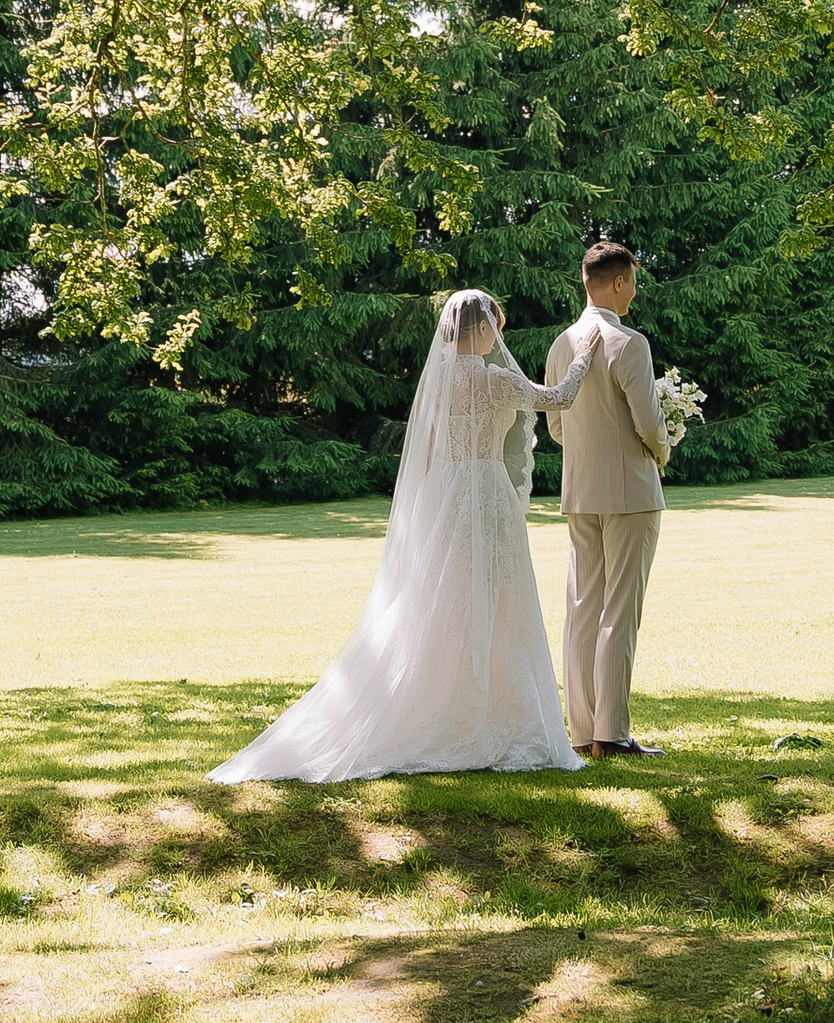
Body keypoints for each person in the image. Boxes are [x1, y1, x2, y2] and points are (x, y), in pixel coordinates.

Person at [209, 290, 599, 782]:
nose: (498, 337)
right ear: (482, 330)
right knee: (499, 598)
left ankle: (456, 700)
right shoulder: (496, 380)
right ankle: (492, 713)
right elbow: (557, 398)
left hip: (448, 494)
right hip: (485, 492)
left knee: (445, 598)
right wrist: (583, 358)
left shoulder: (438, 383)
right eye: (495, 328)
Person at [545, 238, 677, 758]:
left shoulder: (561, 344)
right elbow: (648, 422)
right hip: (631, 492)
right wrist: (663, 451)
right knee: (620, 612)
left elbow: (556, 424)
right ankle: (611, 734)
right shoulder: (630, 343)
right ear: (618, 282)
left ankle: (581, 733)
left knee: (582, 608)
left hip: (580, 490)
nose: (634, 294)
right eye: (633, 283)